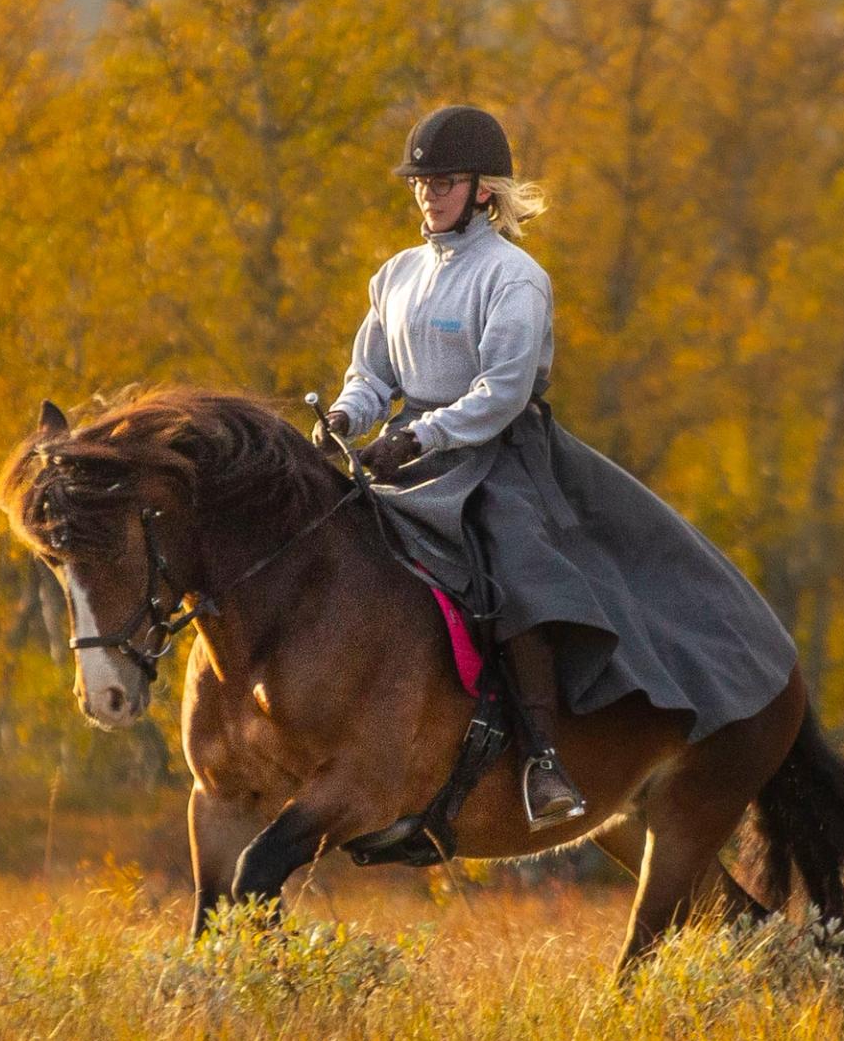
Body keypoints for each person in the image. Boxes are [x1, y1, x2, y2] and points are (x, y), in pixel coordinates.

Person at [323, 104, 800, 830]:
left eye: (443, 181)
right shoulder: (395, 276)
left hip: (496, 459)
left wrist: (421, 438)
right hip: (407, 451)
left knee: (523, 581)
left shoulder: (515, 277)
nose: (428, 194)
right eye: (420, 182)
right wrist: (344, 418)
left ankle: (545, 761)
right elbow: (370, 376)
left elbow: (501, 393)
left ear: (484, 189)